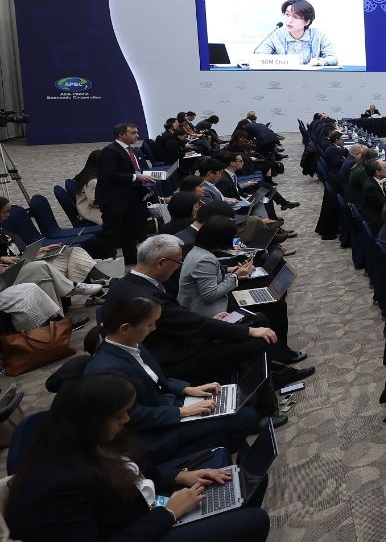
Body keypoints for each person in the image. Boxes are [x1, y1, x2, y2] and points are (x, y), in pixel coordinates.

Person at [4, 373, 271, 542]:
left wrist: (181, 476)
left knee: (247, 480)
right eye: (120, 415)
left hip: (146, 510)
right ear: (92, 420)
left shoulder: (98, 440)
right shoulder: (60, 485)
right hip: (137, 533)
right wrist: (167, 514)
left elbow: (139, 476)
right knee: (253, 520)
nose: (126, 421)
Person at [103, 235, 308, 387]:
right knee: (254, 339)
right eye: (177, 262)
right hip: (172, 357)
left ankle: (275, 371)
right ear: (161, 263)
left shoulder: (126, 283)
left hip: (173, 340)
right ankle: (264, 405)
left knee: (253, 319)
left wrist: (212, 318)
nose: (179, 267)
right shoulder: (148, 297)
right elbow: (193, 325)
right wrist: (247, 332)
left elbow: (182, 319)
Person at [84, 297, 261, 461]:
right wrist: (183, 412)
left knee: (244, 398)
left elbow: (158, 379)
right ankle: (227, 459)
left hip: (170, 405)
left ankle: (229, 455)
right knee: (246, 416)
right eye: (150, 325)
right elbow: (131, 416)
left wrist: (188, 389)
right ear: (125, 328)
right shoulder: (107, 370)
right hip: (156, 431)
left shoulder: (132, 344)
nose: (154, 329)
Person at [96, 122, 156, 265]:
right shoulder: (110, 151)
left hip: (130, 197)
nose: (137, 135)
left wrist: (143, 176)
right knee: (112, 232)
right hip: (114, 200)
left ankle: (131, 261)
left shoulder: (131, 150)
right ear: (122, 135)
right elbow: (110, 175)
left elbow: (131, 170)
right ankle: (107, 264)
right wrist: (137, 177)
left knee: (130, 230)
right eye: (133, 133)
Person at [177, 216, 255, 318]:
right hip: (205, 313)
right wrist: (235, 275)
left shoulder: (197, 250)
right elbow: (210, 295)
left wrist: (235, 274)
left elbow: (208, 281)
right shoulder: (205, 260)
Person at [254, 0, 338, 66]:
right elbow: (259, 56)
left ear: (307, 22)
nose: (289, 20)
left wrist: (320, 61)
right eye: (287, 15)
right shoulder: (275, 35)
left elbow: (333, 58)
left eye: (296, 17)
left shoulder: (318, 35)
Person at [72, 148, 104, 224]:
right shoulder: (93, 181)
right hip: (92, 213)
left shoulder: (88, 174)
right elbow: (94, 201)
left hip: (89, 209)